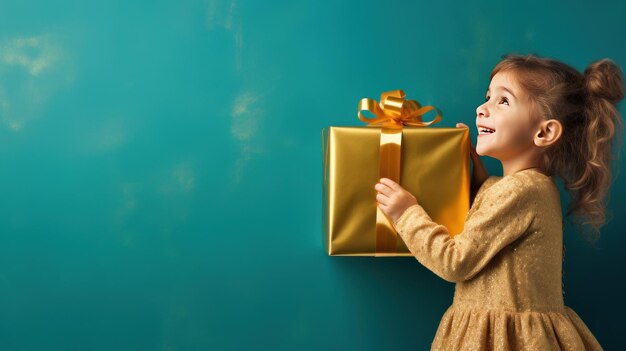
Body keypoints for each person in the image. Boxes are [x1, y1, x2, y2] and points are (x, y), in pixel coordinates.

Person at [374, 53, 624, 350]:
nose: (481, 108)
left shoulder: (522, 191)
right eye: (487, 97)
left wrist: (406, 214)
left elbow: (455, 262)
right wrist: (476, 173)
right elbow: (497, 215)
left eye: (502, 101)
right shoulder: (533, 187)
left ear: (544, 132)